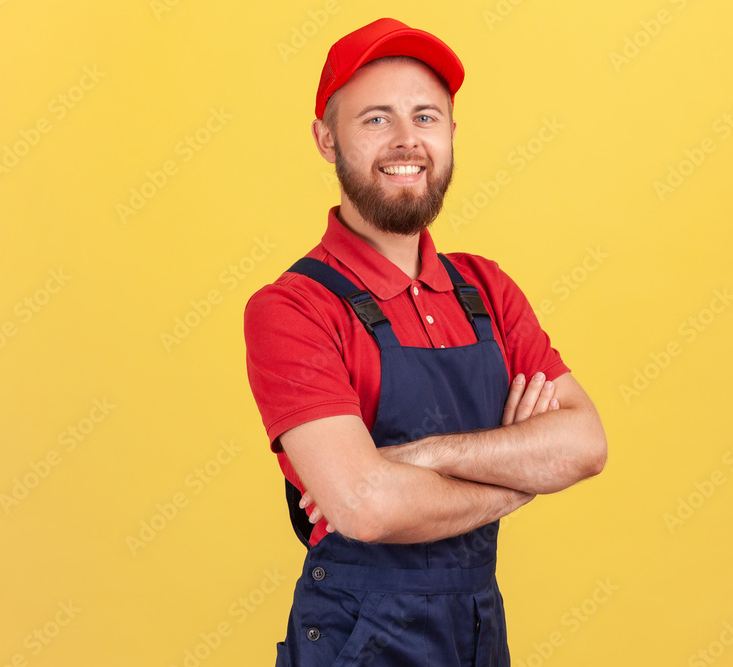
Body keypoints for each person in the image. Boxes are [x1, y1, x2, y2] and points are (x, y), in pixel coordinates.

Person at [244, 17, 607, 666]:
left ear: (451, 134)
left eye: (426, 116)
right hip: (358, 639)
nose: (407, 140)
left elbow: (584, 444)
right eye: (376, 119)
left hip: (477, 631)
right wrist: (520, 479)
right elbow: (367, 507)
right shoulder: (292, 309)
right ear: (327, 141)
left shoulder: (487, 289)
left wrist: (413, 457)